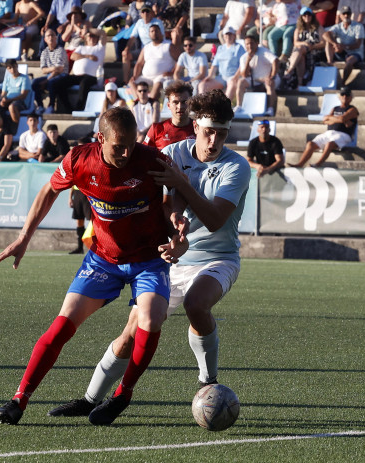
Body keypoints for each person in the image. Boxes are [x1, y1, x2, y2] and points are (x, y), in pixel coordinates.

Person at [47, 89, 250, 419]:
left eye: (222, 133)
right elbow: (163, 203)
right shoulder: (172, 152)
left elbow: (214, 221)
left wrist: (182, 184)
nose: (214, 140)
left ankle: (207, 381)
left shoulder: (236, 167)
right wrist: (173, 222)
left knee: (197, 303)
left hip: (218, 257)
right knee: (131, 332)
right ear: (196, 125)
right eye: (209, 131)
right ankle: (90, 398)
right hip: (169, 257)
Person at [0, 106, 188, 426]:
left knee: (150, 321)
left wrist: (178, 218)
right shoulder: (79, 160)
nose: (126, 152)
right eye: (118, 145)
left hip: (149, 260)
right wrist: (25, 237)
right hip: (103, 260)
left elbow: (177, 191)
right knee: (62, 324)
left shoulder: (152, 160)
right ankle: (19, 400)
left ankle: (123, 394)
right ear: (100, 138)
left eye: (131, 144)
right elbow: (48, 191)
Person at [289, 86, 357, 167]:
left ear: (351, 97)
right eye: (342, 94)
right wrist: (339, 119)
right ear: (339, 96)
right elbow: (325, 120)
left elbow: (341, 119)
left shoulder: (353, 109)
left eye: (347, 95)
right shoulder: (335, 108)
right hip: (329, 133)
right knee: (310, 144)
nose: (344, 97)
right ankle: (300, 164)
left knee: (329, 144)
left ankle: (318, 164)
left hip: (343, 134)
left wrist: (333, 119)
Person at [53, 28, 105, 114]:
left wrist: (89, 31)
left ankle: (79, 107)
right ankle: (68, 108)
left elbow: (103, 33)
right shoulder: (81, 47)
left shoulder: (100, 47)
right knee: (59, 83)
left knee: (84, 83)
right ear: (86, 38)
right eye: (90, 36)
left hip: (92, 76)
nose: (91, 38)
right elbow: (73, 56)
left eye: (94, 36)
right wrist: (88, 56)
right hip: (77, 76)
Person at [227, 34, 278, 117]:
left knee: (270, 83)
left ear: (256, 43)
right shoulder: (243, 57)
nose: (250, 46)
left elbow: (275, 60)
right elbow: (244, 74)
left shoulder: (264, 51)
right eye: (247, 44)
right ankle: (239, 106)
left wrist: (272, 76)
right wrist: (248, 60)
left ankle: (270, 109)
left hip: (268, 78)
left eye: (252, 43)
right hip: (254, 80)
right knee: (241, 82)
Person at [129, 23, 179, 101]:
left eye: (156, 31)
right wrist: (135, 75)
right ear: (149, 34)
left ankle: (150, 102)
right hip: (146, 77)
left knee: (158, 84)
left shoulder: (169, 45)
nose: (154, 33)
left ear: (161, 33)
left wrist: (172, 72)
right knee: (132, 82)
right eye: (152, 31)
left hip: (161, 76)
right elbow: (139, 63)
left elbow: (180, 60)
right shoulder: (146, 47)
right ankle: (139, 101)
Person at [144, 80, 194, 149]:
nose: (180, 107)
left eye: (184, 102)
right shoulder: (157, 129)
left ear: (191, 104)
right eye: (175, 102)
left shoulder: (199, 129)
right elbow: (143, 155)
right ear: (168, 105)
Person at [121, 2, 164, 83]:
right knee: (125, 55)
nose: (145, 14)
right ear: (140, 14)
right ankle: (126, 82)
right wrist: (126, 49)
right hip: (142, 50)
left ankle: (138, 81)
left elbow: (162, 38)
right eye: (143, 11)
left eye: (147, 11)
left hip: (155, 50)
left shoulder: (158, 23)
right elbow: (132, 37)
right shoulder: (139, 22)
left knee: (140, 62)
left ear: (151, 13)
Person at [284, 7, 326, 89]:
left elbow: (323, 43)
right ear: (301, 17)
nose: (307, 17)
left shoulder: (318, 28)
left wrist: (312, 46)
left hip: (314, 51)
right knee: (301, 54)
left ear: (312, 16)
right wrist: (304, 43)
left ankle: (289, 70)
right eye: (304, 15)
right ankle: (300, 83)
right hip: (302, 51)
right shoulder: (298, 29)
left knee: (300, 51)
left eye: (309, 15)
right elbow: (295, 42)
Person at [323, 5, 363, 86]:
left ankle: (343, 82)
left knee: (349, 62)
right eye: (344, 14)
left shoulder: (358, 26)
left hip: (354, 52)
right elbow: (325, 35)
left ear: (351, 14)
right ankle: (329, 62)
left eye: (348, 14)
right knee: (328, 42)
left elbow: (357, 44)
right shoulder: (338, 26)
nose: (346, 16)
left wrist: (343, 47)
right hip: (341, 51)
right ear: (340, 15)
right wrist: (335, 44)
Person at [198, 27, 245, 94]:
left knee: (232, 84)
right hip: (221, 77)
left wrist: (236, 77)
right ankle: (203, 104)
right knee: (202, 85)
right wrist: (210, 76)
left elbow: (242, 64)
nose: (228, 36)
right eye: (226, 34)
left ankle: (226, 104)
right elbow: (215, 64)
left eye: (230, 34)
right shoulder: (221, 48)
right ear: (223, 36)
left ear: (234, 36)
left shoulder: (239, 47)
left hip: (233, 76)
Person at [32, 28, 67, 114]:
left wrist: (47, 79)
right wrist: (53, 68)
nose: (51, 37)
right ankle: (40, 106)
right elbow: (43, 70)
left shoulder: (60, 50)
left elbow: (60, 69)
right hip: (50, 75)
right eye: (48, 36)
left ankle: (51, 106)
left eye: (53, 35)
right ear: (45, 39)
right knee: (34, 82)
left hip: (63, 75)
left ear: (56, 38)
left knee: (51, 82)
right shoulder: (44, 52)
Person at [0, 58, 33, 127]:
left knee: (12, 107)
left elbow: (23, 95)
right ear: (7, 69)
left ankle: (17, 126)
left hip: (21, 102)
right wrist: (2, 99)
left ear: (17, 66)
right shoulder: (7, 78)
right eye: (10, 68)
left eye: (14, 66)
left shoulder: (24, 78)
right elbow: (3, 93)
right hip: (9, 100)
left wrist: (9, 100)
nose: (12, 69)